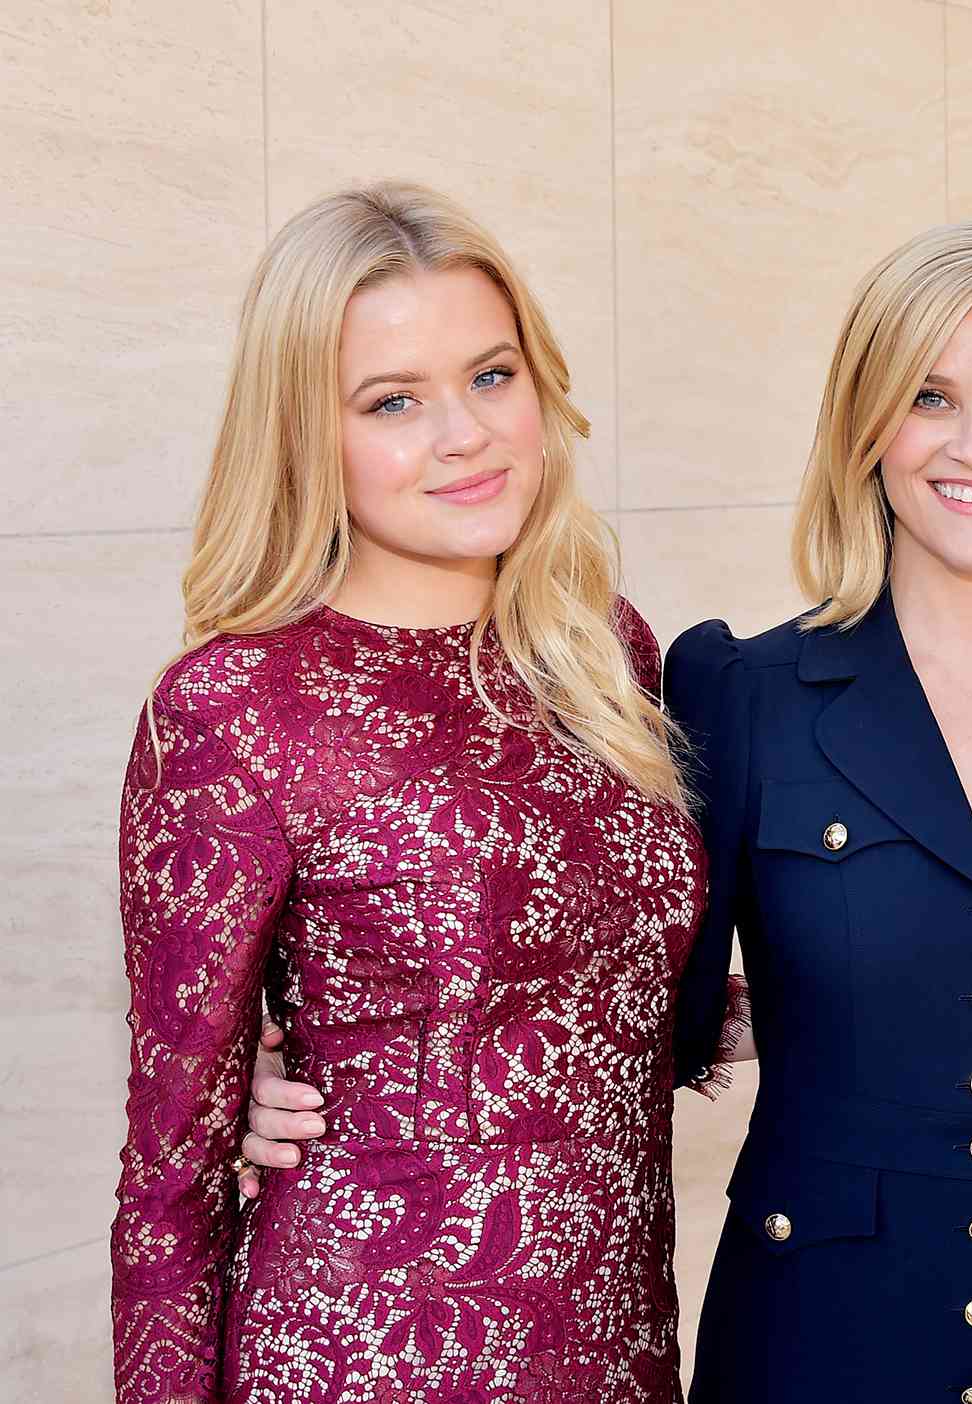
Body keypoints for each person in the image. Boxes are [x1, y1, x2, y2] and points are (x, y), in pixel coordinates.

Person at [238, 221, 972, 1403]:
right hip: (816, 1343)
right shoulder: (736, 693)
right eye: (929, 397)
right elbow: (627, 993)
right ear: (864, 425)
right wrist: (290, 1076)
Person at [111, 182, 740, 1404]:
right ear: (307, 433)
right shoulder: (234, 705)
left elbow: (605, 1006)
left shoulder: (604, 653)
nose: (466, 433)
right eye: (393, 401)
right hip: (358, 1356)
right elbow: (166, 1182)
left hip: (615, 1354)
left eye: (491, 376)